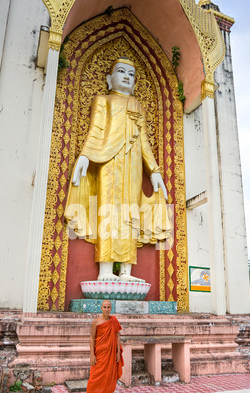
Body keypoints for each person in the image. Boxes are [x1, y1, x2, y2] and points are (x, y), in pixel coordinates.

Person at [65, 57, 171, 282]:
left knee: (130, 214)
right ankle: (105, 270)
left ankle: (125, 272)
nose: (126, 76)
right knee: (109, 212)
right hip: (108, 162)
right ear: (109, 78)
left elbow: (143, 142)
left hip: (133, 166)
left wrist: (154, 171)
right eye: (121, 71)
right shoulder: (103, 100)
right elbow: (96, 130)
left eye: (131, 74)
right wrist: (84, 156)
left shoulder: (137, 105)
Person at [82, 300, 124, 393]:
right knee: (93, 377)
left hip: (110, 353)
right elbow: (92, 337)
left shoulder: (113, 321)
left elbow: (117, 335)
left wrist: (117, 352)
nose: (106, 309)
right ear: (101, 308)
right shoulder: (96, 322)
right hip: (99, 353)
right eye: (104, 307)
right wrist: (92, 354)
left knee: (107, 377)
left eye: (108, 307)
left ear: (111, 308)